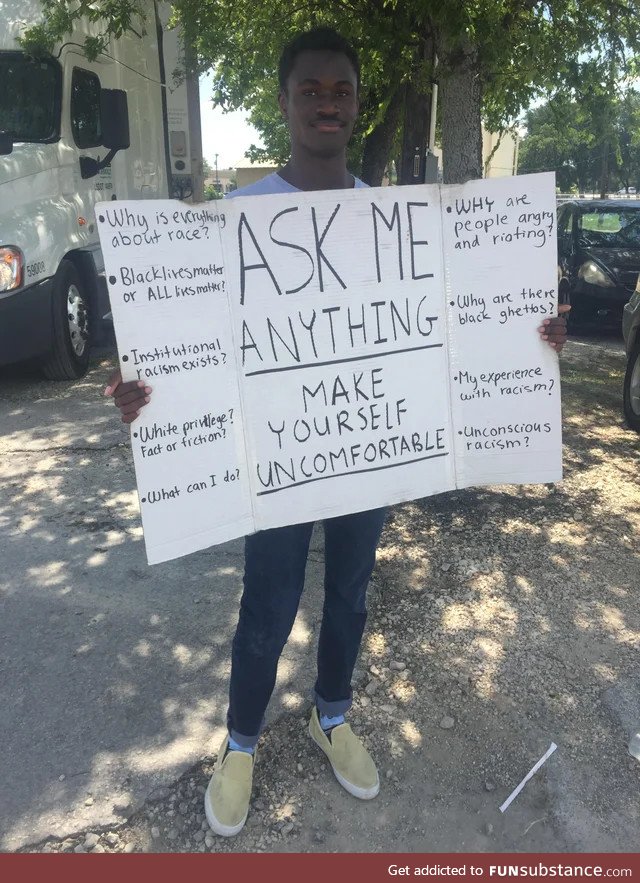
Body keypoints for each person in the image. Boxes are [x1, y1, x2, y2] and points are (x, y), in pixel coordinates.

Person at [104, 27, 570, 838]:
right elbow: (191, 348)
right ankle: (241, 743)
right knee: (268, 605)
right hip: (279, 462)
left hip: (367, 447)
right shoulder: (234, 220)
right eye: (311, 88)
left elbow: (465, 318)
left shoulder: (399, 221)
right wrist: (147, 397)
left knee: (351, 593)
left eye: (341, 90)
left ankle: (331, 713)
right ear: (284, 103)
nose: (327, 100)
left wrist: (533, 337)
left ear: (356, 106)